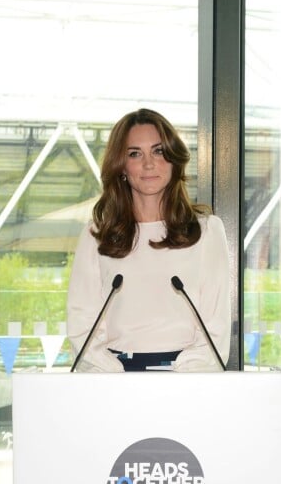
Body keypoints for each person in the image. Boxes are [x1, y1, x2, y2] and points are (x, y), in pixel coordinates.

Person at [67, 108, 230, 372]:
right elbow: (81, 322)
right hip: (112, 380)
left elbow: (216, 326)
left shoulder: (208, 232)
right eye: (135, 154)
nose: (149, 163)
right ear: (121, 167)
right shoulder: (96, 235)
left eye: (158, 151)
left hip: (189, 381)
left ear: (174, 159)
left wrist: (181, 378)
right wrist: (115, 377)